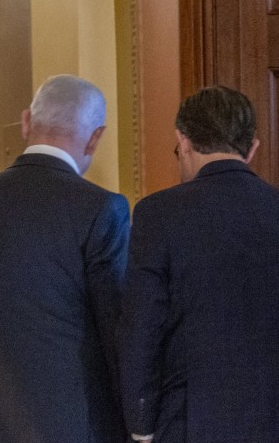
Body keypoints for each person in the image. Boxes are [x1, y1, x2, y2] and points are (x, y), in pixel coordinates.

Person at [0, 74, 130, 442]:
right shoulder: (102, 209)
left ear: (26, 121)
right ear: (95, 137)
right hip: (72, 425)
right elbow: (115, 331)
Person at [118, 86, 279, 443]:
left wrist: (141, 426)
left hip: (190, 422)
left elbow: (141, 328)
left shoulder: (158, 214)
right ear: (252, 147)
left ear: (184, 140)